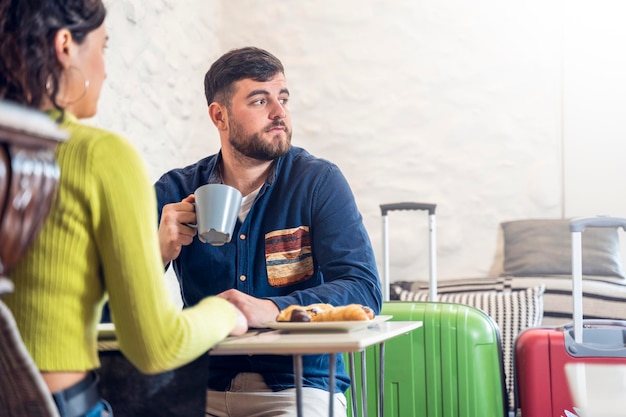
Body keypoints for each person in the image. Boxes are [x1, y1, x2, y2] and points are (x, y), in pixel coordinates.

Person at [0, 1, 248, 416]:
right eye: (103, 47)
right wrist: (225, 312)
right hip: (58, 405)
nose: (104, 69)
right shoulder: (100, 157)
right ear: (65, 45)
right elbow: (156, 347)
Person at [155, 46, 382, 417]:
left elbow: (364, 288)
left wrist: (272, 309)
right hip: (198, 389)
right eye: (260, 101)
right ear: (220, 116)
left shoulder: (318, 182)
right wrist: (157, 252)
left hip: (299, 387)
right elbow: (113, 302)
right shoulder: (174, 192)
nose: (279, 113)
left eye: (283, 99)